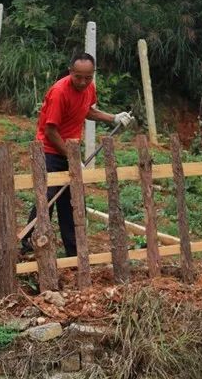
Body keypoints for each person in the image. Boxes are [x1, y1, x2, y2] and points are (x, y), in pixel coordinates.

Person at [22, 52, 133, 257]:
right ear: (70, 71)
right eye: (78, 77)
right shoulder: (59, 92)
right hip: (49, 150)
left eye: (88, 77)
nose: (82, 82)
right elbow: (50, 131)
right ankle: (28, 243)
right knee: (47, 197)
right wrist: (73, 159)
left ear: (93, 74)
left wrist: (113, 118)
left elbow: (86, 111)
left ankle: (72, 251)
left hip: (70, 150)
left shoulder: (89, 87)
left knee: (71, 201)